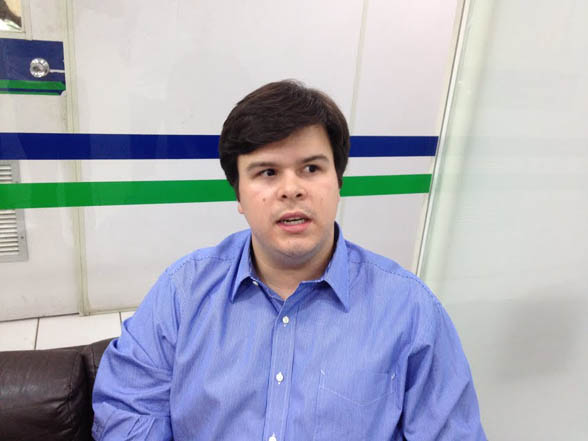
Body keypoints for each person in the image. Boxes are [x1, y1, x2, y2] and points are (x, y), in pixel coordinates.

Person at [92, 80, 487, 440]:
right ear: (238, 195)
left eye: (311, 168)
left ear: (338, 181)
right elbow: (127, 411)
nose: (291, 190)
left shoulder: (410, 310)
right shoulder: (183, 292)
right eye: (267, 172)